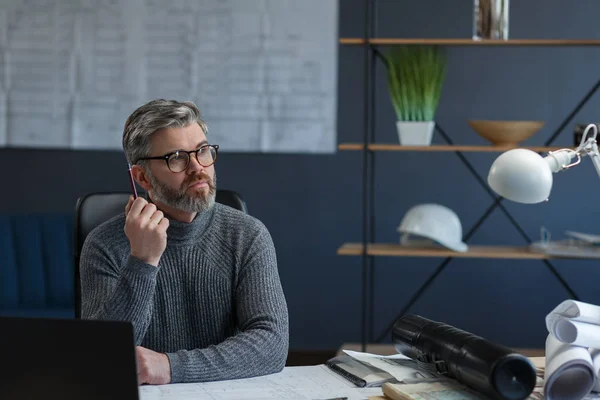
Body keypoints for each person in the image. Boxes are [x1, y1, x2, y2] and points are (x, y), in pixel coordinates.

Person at [79, 99, 289, 385]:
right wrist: (143, 261)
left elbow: (271, 345)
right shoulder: (104, 244)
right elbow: (100, 356)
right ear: (142, 177)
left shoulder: (247, 235)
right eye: (177, 157)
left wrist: (168, 366)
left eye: (202, 151)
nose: (197, 167)